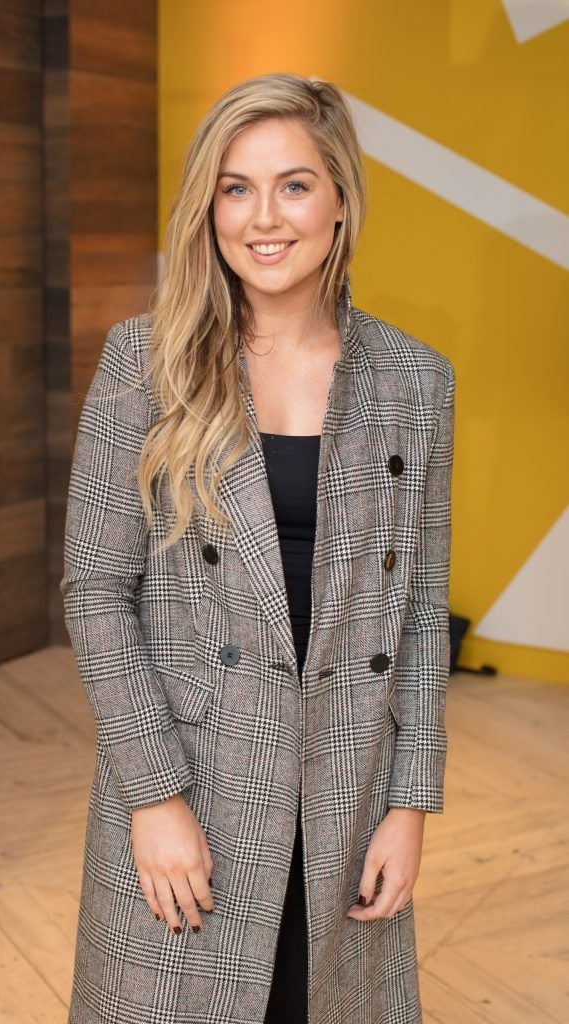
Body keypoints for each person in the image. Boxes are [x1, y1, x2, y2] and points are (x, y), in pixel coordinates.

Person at [60, 72, 455, 1024]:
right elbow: (95, 591)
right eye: (235, 187)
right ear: (208, 207)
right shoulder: (143, 361)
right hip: (188, 791)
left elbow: (421, 609)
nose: (262, 217)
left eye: (293, 183)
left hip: (345, 790)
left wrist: (408, 806)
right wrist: (152, 798)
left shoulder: (414, 380)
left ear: (339, 202)